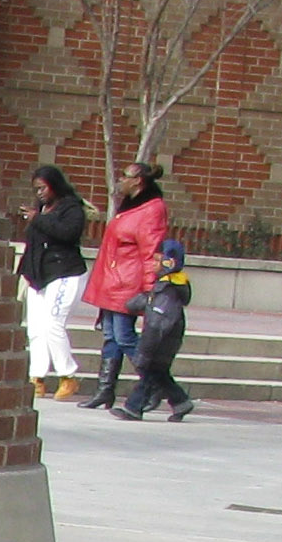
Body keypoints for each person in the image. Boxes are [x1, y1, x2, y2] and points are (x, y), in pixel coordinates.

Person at [80, 159, 168, 410]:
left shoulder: (151, 209)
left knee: (124, 336)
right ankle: (105, 390)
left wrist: (150, 288)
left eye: (125, 176)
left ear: (138, 181)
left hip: (127, 282)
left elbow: (151, 251)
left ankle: (155, 385)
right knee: (111, 336)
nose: (120, 180)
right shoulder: (130, 206)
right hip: (114, 280)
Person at [14, 164, 88, 399]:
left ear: (54, 185)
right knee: (36, 328)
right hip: (37, 275)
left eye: (43, 188)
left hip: (63, 272)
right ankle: (37, 376)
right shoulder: (41, 209)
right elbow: (33, 245)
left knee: (53, 324)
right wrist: (24, 272)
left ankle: (68, 375)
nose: (39, 193)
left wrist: (38, 219)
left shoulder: (71, 208)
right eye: (36, 189)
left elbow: (68, 233)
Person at [114, 237, 194, 422]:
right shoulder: (165, 286)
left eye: (158, 261)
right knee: (159, 374)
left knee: (149, 375)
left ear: (169, 263)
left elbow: (157, 323)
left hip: (162, 341)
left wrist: (145, 350)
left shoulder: (168, 291)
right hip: (166, 339)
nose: (153, 265)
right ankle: (181, 402)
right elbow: (151, 302)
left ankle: (133, 408)